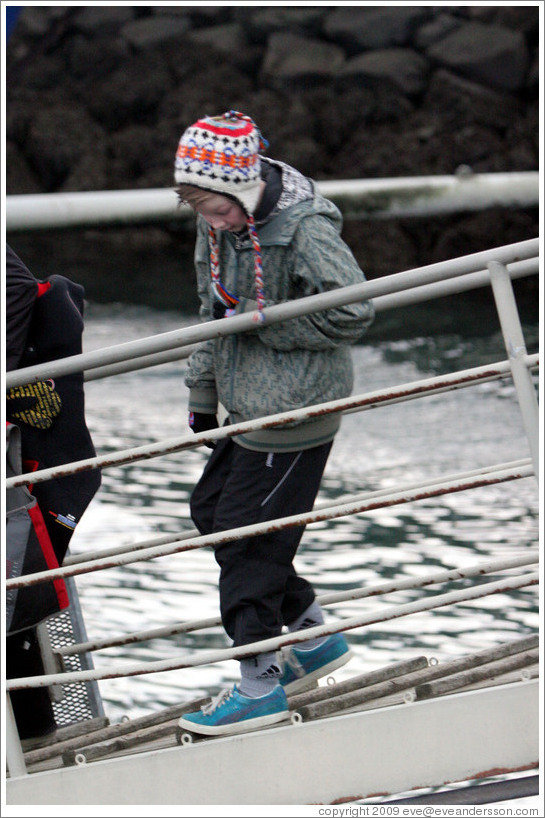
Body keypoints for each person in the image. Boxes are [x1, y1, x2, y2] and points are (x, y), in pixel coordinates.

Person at [174, 110, 374, 736]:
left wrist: (271, 321)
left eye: (221, 209)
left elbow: (355, 311)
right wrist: (202, 390)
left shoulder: (304, 228)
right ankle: (313, 636)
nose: (215, 222)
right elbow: (214, 309)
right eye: (203, 210)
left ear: (245, 185)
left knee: (245, 544)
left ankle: (258, 684)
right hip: (246, 407)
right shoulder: (216, 226)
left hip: (296, 409)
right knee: (211, 512)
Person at [5, 244, 101, 743]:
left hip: (36, 461)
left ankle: (30, 742)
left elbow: (15, 290)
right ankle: (29, 742)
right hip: (33, 465)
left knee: (17, 592)